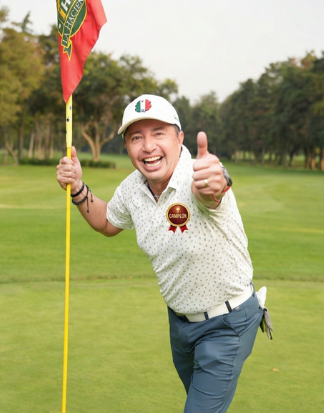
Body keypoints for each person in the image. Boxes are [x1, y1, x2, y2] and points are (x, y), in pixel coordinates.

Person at [56, 94, 267, 412]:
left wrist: (217, 180)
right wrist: (78, 188)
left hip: (227, 325)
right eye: (136, 137)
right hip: (181, 326)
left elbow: (212, 190)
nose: (147, 146)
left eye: (158, 133)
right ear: (127, 147)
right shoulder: (131, 188)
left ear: (179, 138)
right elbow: (106, 222)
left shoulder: (197, 176)